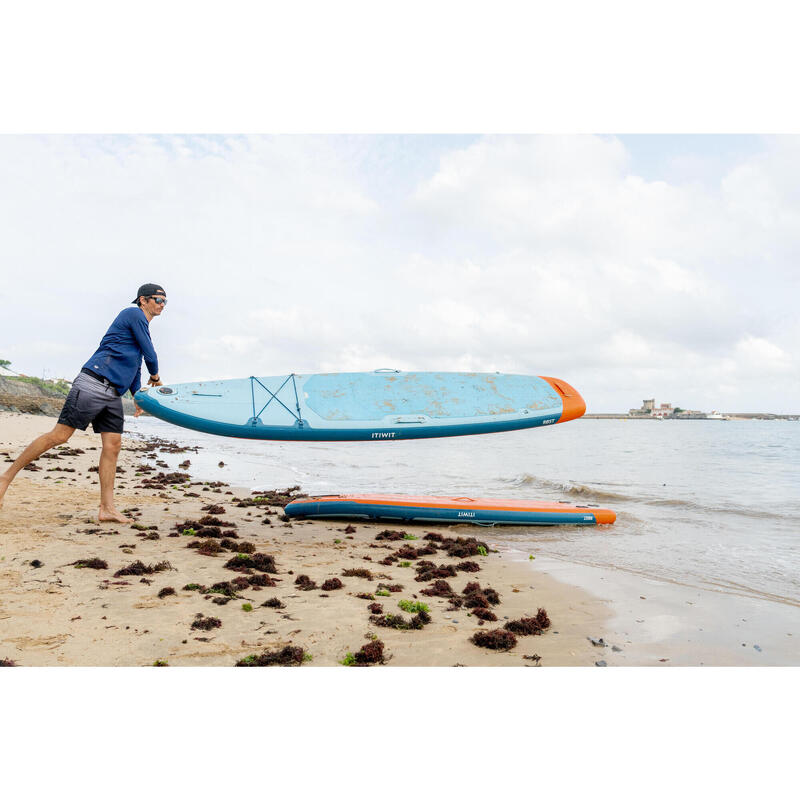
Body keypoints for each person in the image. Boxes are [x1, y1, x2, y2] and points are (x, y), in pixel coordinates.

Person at [0, 284, 167, 522]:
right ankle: (5, 478)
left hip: (113, 393)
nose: (162, 305)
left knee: (113, 445)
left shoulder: (142, 326)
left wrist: (137, 397)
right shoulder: (132, 314)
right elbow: (150, 353)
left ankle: (107, 509)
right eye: (158, 300)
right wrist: (157, 377)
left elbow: (135, 365)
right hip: (93, 383)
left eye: (165, 302)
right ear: (143, 300)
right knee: (59, 436)